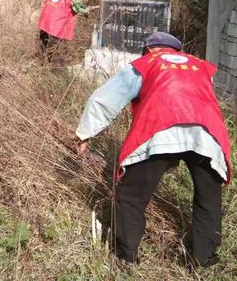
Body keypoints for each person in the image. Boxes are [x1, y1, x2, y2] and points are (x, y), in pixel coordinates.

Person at [76, 32, 231, 268]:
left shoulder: (145, 64)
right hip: (207, 136)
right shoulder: (199, 67)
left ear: (149, 50)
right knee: (208, 200)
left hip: (160, 130)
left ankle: (125, 257)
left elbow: (105, 99)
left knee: (131, 197)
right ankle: (203, 261)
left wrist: (85, 133)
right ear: (177, 51)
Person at [38, 0, 97, 64]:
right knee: (56, 56)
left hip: (45, 23)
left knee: (44, 52)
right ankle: (58, 77)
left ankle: (42, 71)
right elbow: (79, 9)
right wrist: (89, 9)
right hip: (57, 27)